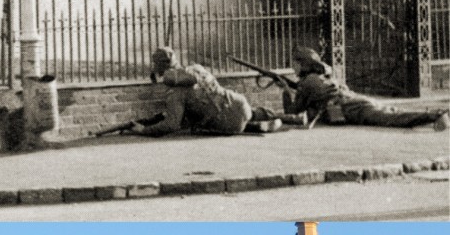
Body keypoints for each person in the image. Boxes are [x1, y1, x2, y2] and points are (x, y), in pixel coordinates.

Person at [120, 48, 295, 136]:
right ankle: (282, 119)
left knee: (200, 126)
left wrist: (143, 129)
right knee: (247, 112)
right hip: (239, 102)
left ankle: (253, 127)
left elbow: (172, 125)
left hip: (225, 123)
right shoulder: (197, 68)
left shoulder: (175, 93)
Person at [289, 47, 449, 130]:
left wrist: (286, 91)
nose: (292, 67)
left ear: (303, 64)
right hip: (354, 101)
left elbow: (295, 111)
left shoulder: (307, 82)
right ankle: (435, 114)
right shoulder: (318, 77)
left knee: (391, 118)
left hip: (351, 107)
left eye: (294, 63)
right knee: (393, 112)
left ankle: (435, 115)